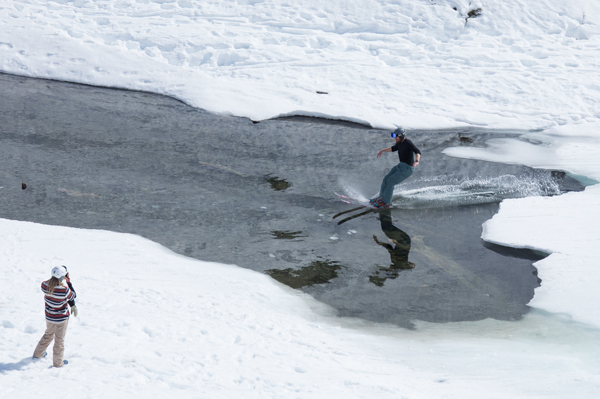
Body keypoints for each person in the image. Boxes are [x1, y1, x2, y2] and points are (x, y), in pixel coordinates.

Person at [33, 265, 77, 367]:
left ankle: (38, 354)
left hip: (49, 317)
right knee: (59, 341)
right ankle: (58, 363)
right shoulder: (64, 290)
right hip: (61, 319)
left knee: (48, 335)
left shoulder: (44, 285)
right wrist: (68, 282)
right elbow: (73, 295)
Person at [371, 127, 421, 208]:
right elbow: (393, 148)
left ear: (401, 136)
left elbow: (417, 152)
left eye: (395, 136)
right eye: (393, 135)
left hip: (407, 168)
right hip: (401, 165)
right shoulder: (399, 143)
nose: (394, 138)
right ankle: (381, 198)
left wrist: (417, 161)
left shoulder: (408, 143)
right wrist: (383, 150)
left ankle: (386, 203)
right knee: (386, 178)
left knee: (391, 181)